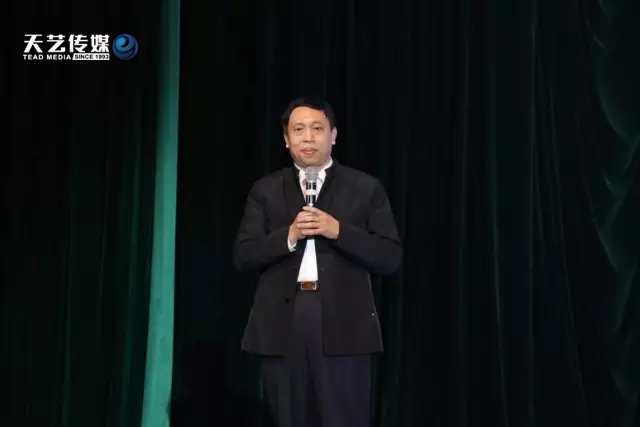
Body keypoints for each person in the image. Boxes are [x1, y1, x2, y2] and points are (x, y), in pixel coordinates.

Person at [233, 97, 402, 427]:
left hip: (344, 323)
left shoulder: (364, 188)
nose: (308, 138)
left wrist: (338, 231)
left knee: (344, 417)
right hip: (283, 322)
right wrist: (290, 235)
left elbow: (389, 256)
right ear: (287, 139)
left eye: (317, 129)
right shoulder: (265, 191)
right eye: (298, 130)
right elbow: (244, 255)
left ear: (333, 135)